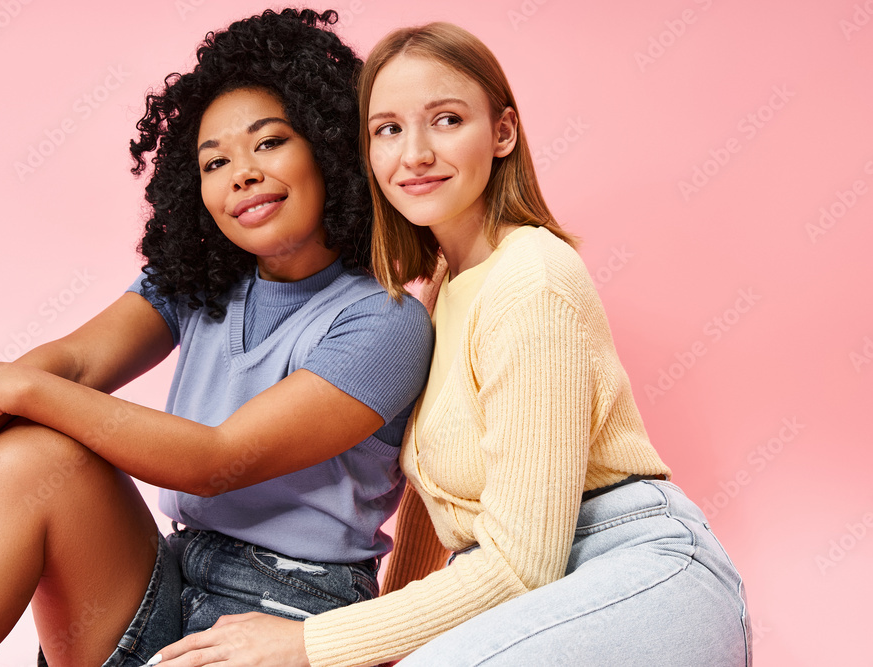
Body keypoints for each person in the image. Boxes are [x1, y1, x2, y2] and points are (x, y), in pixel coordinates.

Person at [155, 21, 752, 667]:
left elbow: (522, 565)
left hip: (632, 569)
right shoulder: (443, 288)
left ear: (503, 133)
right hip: (526, 589)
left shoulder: (531, 278)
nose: (414, 154)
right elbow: (435, 520)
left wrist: (310, 642)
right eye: (388, 129)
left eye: (446, 120)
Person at [0, 8, 432, 666]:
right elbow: (72, 365)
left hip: (291, 611)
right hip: (172, 574)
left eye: (270, 143)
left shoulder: (385, 322)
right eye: (215, 161)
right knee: (26, 452)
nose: (242, 173)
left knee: (28, 413)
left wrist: (11, 385)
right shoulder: (198, 282)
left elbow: (216, 461)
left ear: (329, 147)